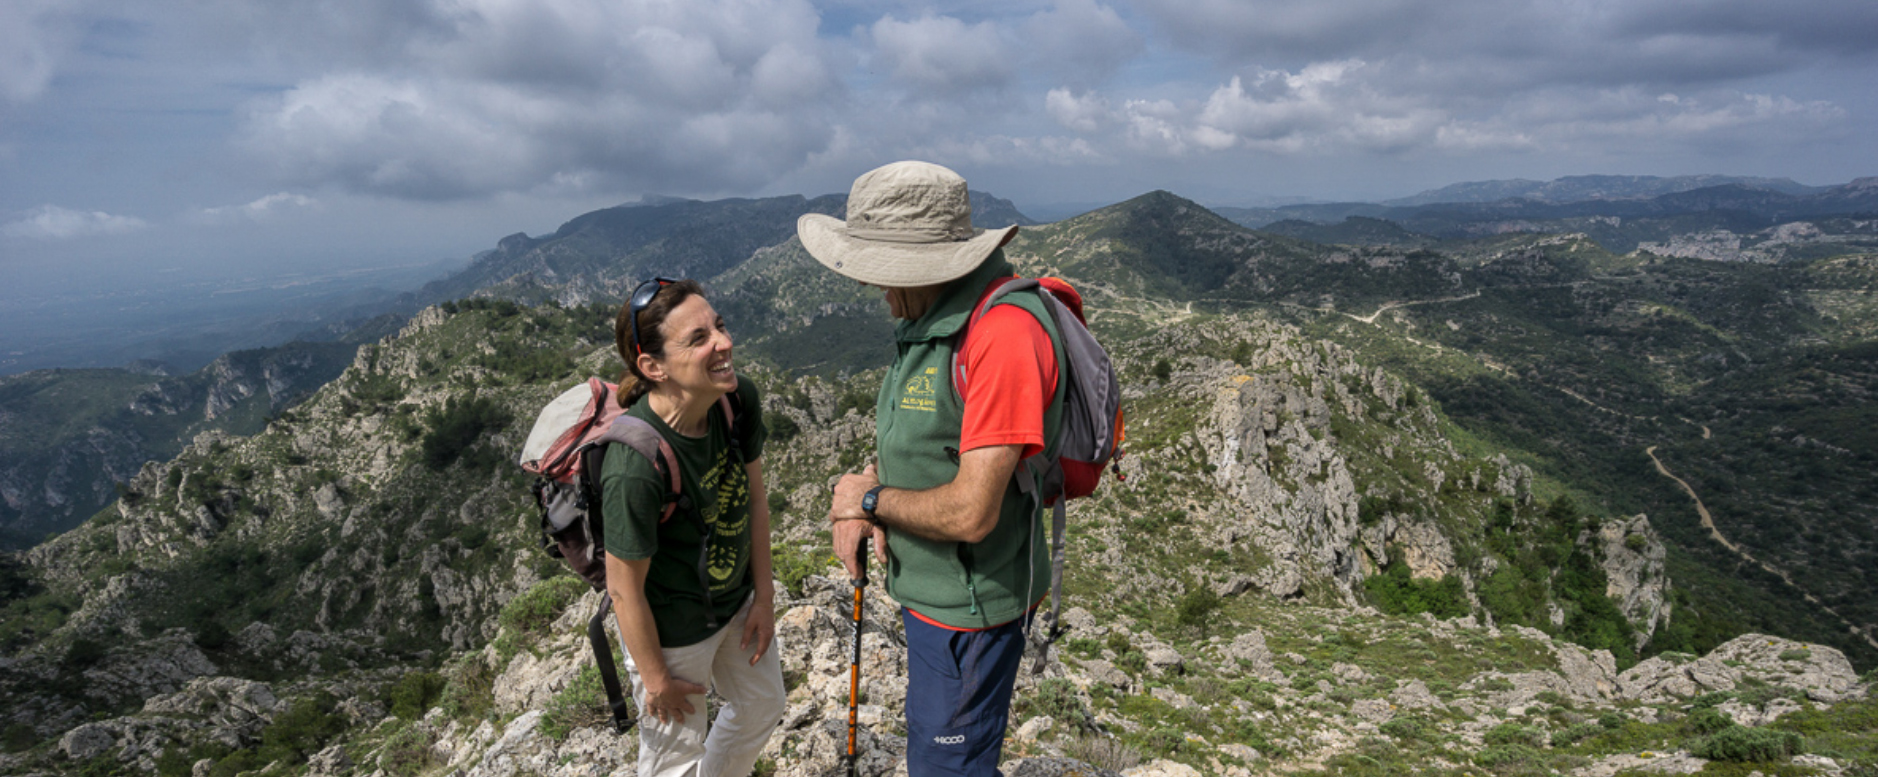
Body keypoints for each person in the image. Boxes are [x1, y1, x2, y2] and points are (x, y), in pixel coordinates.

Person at [798, 161, 1068, 776]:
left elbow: (972, 512)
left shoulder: (1002, 338)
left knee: (948, 767)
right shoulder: (932, 322)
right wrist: (866, 488)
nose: (880, 293)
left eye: (886, 276)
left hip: (972, 610)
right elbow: (924, 439)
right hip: (935, 599)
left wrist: (867, 502)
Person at [601, 278, 783, 777]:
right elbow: (623, 590)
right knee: (673, 761)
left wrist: (763, 597)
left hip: (736, 601)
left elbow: (755, 500)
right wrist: (656, 677)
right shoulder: (635, 466)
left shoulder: (736, 400)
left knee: (763, 704)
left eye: (719, 326)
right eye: (698, 338)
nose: (723, 343)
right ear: (653, 367)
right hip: (672, 633)